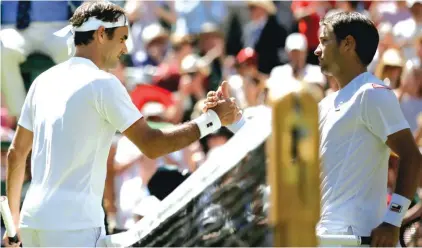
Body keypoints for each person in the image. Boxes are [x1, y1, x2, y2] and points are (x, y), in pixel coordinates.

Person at [3, 1, 240, 247]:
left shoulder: (43, 82)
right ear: (101, 34)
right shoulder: (104, 84)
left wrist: (13, 225)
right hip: (73, 228)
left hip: (32, 223)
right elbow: (153, 145)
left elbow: (16, 155)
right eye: (122, 38)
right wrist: (212, 120)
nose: (126, 48)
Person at [204, 12, 422, 247]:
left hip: (360, 240)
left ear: (348, 44)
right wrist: (234, 120)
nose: (316, 50)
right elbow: (280, 150)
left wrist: (392, 221)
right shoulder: (326, 104)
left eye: (324, 41)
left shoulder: (373, 93)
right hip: (326, 237)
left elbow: (411, 157)